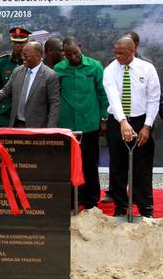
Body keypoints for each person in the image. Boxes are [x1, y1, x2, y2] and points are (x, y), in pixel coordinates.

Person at [101, 31, 163, 204]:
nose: (118, 57)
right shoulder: (110, 70)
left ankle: (145, 207)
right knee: (118, 165)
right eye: (115, 53)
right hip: (117, 121)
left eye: (122, 53)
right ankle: (120, 207)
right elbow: (113, 98)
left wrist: (147, 126)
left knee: (142, 168)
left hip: (141, 121)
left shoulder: (147, 69)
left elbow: (154, 99)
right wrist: (123, 121)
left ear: (133, 50)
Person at [55, 36, 109, 209]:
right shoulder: (58, 69)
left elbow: (102, 93)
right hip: (66, 125)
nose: (73, 57)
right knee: (68, 164)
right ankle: (70, 200)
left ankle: (91, 199)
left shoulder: (95, 66)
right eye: (68, 55)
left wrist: (103, 119)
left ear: (80, 46)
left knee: (89, 163)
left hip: (90, 124)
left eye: (75, 53)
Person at [0, 41, 60, 128]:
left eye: (26, 55)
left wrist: (50, 130)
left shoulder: (50, 75)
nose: (23, 58)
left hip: (38, 127)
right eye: (22, 55)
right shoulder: (17, 71)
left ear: (38, 56)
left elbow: (54, 104)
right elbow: (5, 91)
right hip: (16, 124)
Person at [0, 26, 30, 127]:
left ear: (27, 43)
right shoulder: (2, 62)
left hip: (26, 114)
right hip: (5, 114)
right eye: (15, 42)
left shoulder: (32, 63)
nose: (17, 45)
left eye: (21, 43)